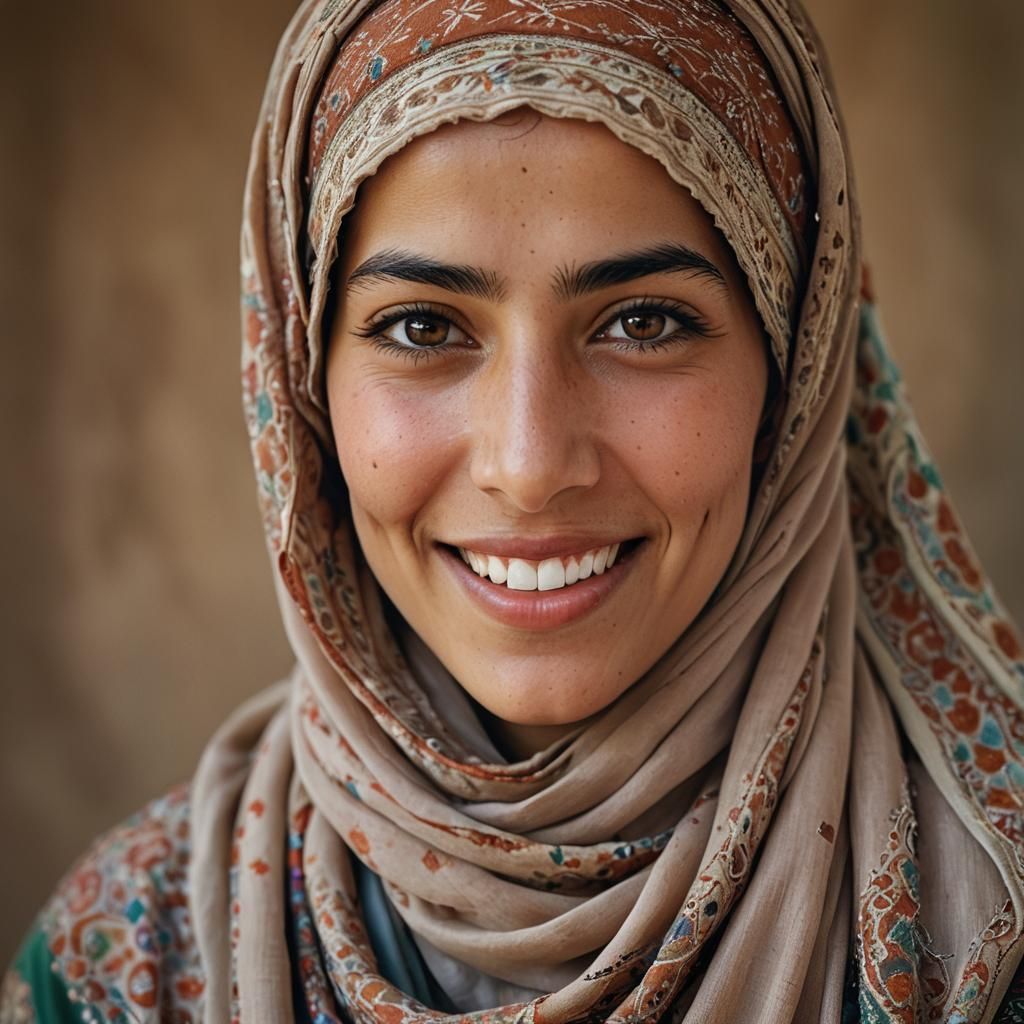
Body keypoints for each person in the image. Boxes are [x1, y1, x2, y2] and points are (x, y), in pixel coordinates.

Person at [4, 0, 1023, 1021]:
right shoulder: (124, 964)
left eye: (643, 322)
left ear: (793, 379)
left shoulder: (995, 931)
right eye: (422, 327)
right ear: (306, 385)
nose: (529, 466)